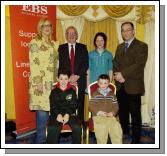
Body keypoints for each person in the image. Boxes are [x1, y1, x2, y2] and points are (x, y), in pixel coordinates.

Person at [113, 22, 148, 144]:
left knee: (135, 114)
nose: (126, 32)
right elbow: (115, 63)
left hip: (133, 85)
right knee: (122, 112)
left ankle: (136, 139)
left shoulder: (142, 46)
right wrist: (117, 75)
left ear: (133, 31)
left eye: (128, 30)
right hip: (120, 85)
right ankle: (125, 133)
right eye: (123, 30)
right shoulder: (119, 47)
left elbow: (139, 65)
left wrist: (123, 75)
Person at [29, 18, 59, 144]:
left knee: (49, 111)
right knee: (42, 112)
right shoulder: (34, 42)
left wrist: (57, 79)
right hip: (40, 83)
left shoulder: (53, 44)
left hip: (51, 83)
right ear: (40, 28)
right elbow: (33, 64)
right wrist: (38, 82)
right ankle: (40, 142)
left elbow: (56, 63)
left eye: (49, 26)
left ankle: (48, 141)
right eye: (44, 26)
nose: (47, 28)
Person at [58, 26, 89, 123]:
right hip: (65, 81)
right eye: (69, 33)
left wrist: (77, 76)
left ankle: (80, 125)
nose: (71, 35)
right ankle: (66, 123)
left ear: (77, 35)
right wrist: (68, 78)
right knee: (66, 103)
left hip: (80, 79)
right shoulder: (61, 48)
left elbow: (86, 63)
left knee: (79, 103)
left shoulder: (83, 47)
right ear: (66, 35)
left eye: (73, 33)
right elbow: (60, 66)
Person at [46, 70, 82, 144]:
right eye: (61, 78)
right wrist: (58, 115)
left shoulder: (72, 91)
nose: (63, 81)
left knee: (77, 127)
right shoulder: (54, 92)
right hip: (56, 113)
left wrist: (67, 114)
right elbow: (53, 106)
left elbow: (74, 105)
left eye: (66, 79)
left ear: (69, 79)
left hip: (70, 113)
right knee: (52, 128)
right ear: (57, 79)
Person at [88, 74, 122, 144]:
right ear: (98, 83)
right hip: (98, 116)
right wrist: (99, 112)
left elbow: (116, 106)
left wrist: (112, 113)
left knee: (117, 129)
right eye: (101, 83)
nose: (103, 85)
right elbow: (91, 106)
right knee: (101, 131)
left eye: (105, 83)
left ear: (109, 83)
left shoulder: (112, 95)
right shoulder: (95, 94)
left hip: (110, 116)